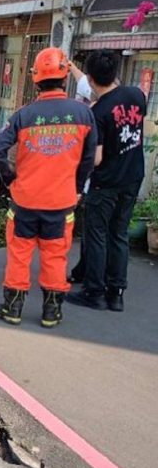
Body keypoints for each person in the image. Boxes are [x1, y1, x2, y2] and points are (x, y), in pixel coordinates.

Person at [0, 47, 97, 328]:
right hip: (61, 203)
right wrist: (76, 188)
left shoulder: (24, 115)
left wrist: (10, 180)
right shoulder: (84, 114)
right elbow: (88, 160)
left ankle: (13, 308)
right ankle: (51, 312)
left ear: (36, 78)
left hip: (25, 201)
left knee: (19, 254)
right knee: (55, 255)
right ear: (65, 77)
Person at [67, 50, 147, 312]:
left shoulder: (97, 112)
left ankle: (94, 292)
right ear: (116, 73)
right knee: (119, 234)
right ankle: (116, 294)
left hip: (106, 183)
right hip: (133, 176)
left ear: (90, 80)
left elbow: (97, 159)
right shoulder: (136, 95)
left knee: (97, 235)